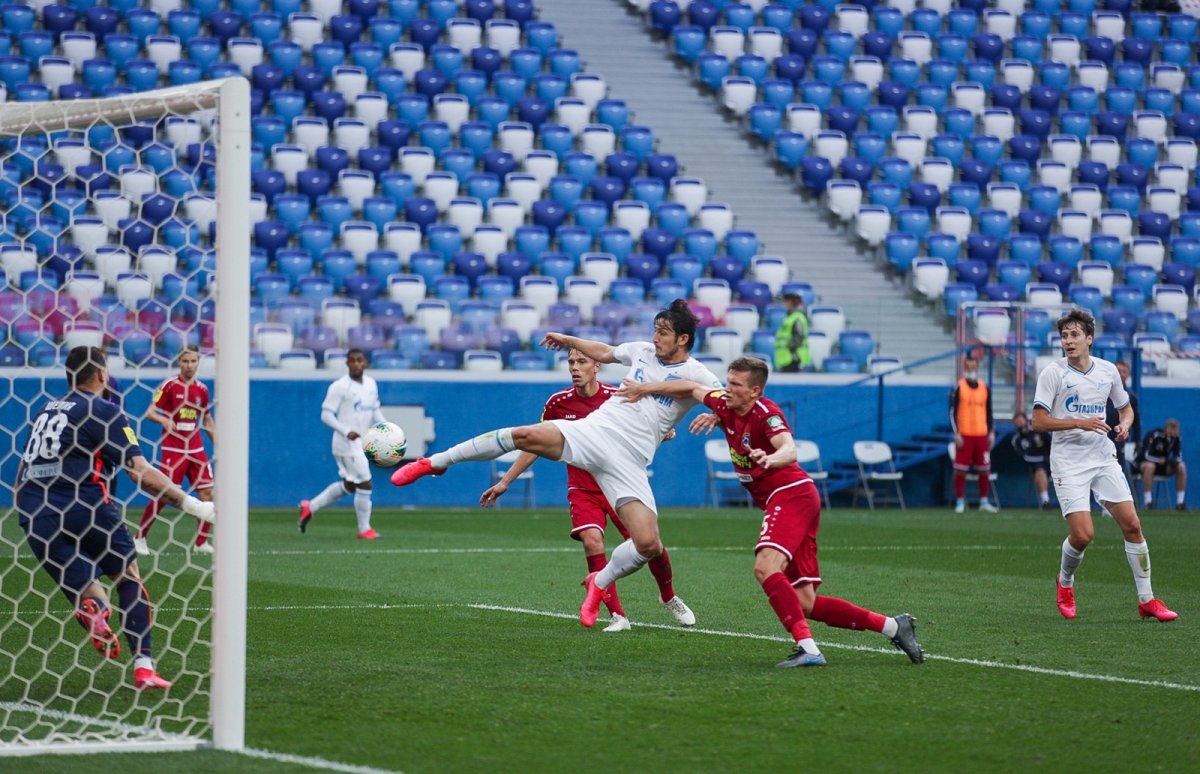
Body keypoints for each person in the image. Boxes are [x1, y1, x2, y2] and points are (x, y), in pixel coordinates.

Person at [393, 299, 719, 628]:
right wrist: (569, 340)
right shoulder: (641, 351)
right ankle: (434, 462)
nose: (655, 338)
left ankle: (601, 582)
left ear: (683, 339)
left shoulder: (697, 373)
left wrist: (712, 414)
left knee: (648, 544)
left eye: (662, 333)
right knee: (523, 435)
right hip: (596, 432)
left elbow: (722, 399)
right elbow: (605, 351)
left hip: (630, 460)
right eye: (655, 330)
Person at [617, 357, 924, 667]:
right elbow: (691, 387)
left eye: (735, 385)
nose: (727, 389)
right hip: (794, 499)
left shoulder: (768, 415)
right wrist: (646, 388)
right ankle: (893, 626)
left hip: (790, 494)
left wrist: (773, 458)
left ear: (755, 391)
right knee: (805, 602)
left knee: (765, 567)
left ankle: (809, 650)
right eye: (728, 381)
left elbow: (789, 448)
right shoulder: (724, 404)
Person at [15, 346, 216, 690]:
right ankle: (144, 667)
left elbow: (23, 471)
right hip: (83, 503)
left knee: (90, 593)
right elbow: (141, 472)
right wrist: (196, 506)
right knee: (128, 576)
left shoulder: (45, 410)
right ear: (103, 375)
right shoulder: (103, 409)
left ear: (69, 376)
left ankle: (95, 610)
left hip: (34, 513)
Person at [480, 348, 688, 632]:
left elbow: (643, 430)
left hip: (619, 484)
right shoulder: (558, 403)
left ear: (597, 366)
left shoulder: (618, 398)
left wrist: (661, 434)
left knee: (651, 546)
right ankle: (618, 616)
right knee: (592, 541)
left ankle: (669, 597)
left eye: (581, 361)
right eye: (571, 362)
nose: (575, 368)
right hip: (582, 487)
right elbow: (535, 443)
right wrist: (506, 482)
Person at [1032, 310, 1177, 622]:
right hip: (1068, 462)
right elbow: (1038, 420)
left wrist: (1124, 425)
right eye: (1064, 336)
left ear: (1089, 339)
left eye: (1074, 335)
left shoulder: (1108, 371)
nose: (1068, 341)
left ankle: (1147, 600)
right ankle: (1065, 582)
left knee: (1133, 525)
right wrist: (1078, 422)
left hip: (1102, 457)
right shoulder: (1053, 373)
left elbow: (1126, 409)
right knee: (1084, 535)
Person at [135, 346, 215, 556]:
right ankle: (140, 537)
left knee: (208, 493)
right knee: (164, 493)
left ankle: (201, 542)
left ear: (198, 362)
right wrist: (163, 418)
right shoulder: (169, 385)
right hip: (174, 449)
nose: (189, 366)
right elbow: (150, 412)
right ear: (179, 362)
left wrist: (218, 443)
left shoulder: (202, 390)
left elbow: (206, 419)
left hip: (196, 448)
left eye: (193, 361)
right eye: (185, 361)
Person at [299, 349, 385, 539]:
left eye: (359, 360)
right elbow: (326, 415)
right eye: (352, 360)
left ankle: (310, 507)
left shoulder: (371, 384)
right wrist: (346, 431)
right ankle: (364, 530)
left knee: (351, 485)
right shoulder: (339, 387)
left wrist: (386, 428)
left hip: (360, 443)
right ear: (347, 364)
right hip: (345, 443)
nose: (356, 364)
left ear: (365, 363)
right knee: (365, 482)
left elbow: (374, 410)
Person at [949, 355, 997, 513]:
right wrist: (956, 433)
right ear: (964, 368)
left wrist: (991, 432)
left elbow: (989, 412)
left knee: (984, 469)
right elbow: (951, 412)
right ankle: (960, 502)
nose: (971, 369)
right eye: (968, 366)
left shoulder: (985, 388)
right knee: (960, 469)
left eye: (973, 366)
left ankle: (983, 501)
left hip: (981, 435)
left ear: (977, 367)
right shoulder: (959, 387)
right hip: (964, 435)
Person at [1137, 419, 1188, 511]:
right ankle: (1148, 502)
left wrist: (1171, 461)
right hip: (1145, 465)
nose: (1175, 431)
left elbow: (1179, 456)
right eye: (1173, 428)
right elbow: (1146, 455)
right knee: (1150, 466)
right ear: (1167, 429)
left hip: (1164, 467)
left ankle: (1180, 503)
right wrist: (1159, 460)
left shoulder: (1176, 439)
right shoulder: (1155, 435)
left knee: (1181, 466)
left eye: (1176, 429)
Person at [1009, 412, 1052, 509]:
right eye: (1017, 423)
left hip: (1052, 460)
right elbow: (1025, 457)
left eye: (1021, 421)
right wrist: (1043, 458)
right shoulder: (1017, 440)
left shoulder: (1039, 431)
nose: (1020, 424)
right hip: (1037, 464)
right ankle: (1045, 500)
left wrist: (1050, 458)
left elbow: (1052, 444)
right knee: (1040, 470)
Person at [1106, 359, 1140, 475]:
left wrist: (1138, 442)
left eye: (1124, 371)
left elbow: (1136, 422)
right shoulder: (1102, 391)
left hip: (1118, 438)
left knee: (1117, 471)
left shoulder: (1131, 397)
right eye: (1118, 371)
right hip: (1100, 436)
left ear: (1128, 375)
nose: (1120, 374)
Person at [773, 291, 810, 373]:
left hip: (793, 359)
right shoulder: (790, 317)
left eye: (786, 301)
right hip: (787, 359)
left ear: (792, 302)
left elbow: (799, 336)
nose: (784, 303)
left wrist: (790, 348)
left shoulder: (797, 317)